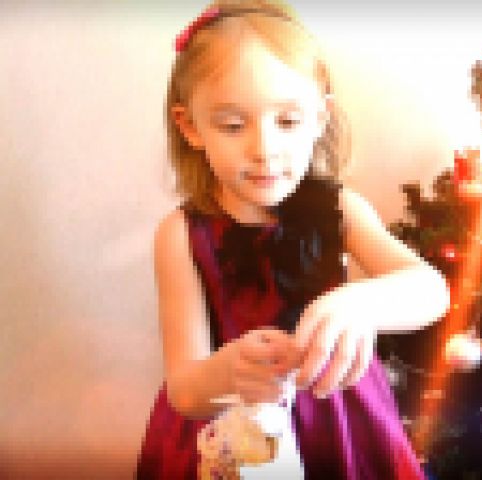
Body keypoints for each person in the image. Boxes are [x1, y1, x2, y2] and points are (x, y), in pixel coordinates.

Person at [135, 1, 450, 478]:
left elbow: (432, 290)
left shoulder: (341, 208)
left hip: (344, 427)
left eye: (287, 121)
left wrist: (362, 302)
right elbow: (184, 390)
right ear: (190, 127)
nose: (264, 149)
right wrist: (227, 372)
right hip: (229, 441)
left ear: (320, 118)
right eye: (233, 125)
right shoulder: (179, 234)